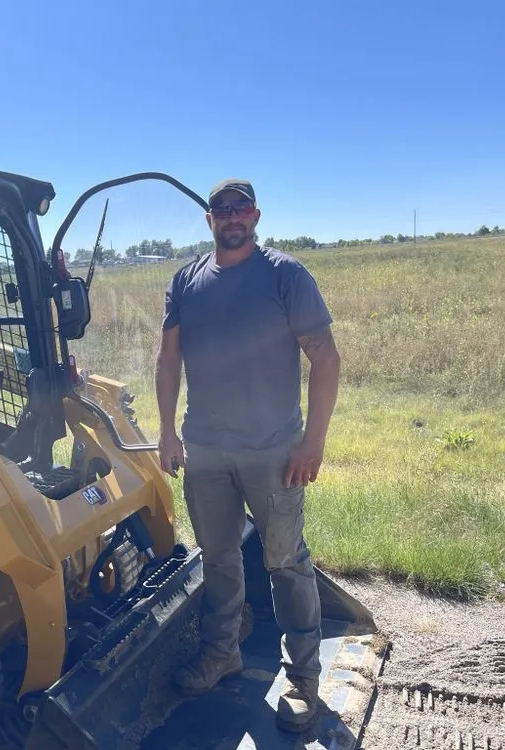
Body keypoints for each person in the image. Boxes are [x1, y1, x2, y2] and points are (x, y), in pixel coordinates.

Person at [155, 178, 340, 733]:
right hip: (206, 449)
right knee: (217, 558)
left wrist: (313, 442)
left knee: (285, 561)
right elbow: (168, 361)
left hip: (274, 451)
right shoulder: (186, 280)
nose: (232, 216)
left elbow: (325, 359)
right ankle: (221, 654)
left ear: (255, 216)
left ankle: (303, 678)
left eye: (241, 209)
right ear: (209, 219)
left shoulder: (285, 275)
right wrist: (166, 431)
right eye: (222, 209)